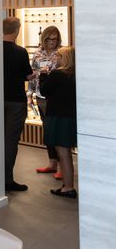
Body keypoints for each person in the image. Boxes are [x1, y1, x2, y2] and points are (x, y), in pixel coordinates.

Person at [40, 46, 77, 198]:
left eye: (59, 56)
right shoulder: (75, 75)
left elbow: (43, 91)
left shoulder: (56, 74)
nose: (57, 58)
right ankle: (68, 185)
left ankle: (68, 187)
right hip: (70, 117)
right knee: (66, 152)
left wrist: (43, 76)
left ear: (65, 58)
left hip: (57, 117)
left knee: (63, 153)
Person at [3, 17, 34, 192]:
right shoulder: (20, 51)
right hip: (16, 100)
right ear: (16, 30)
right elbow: (27, 75)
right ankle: (7, 179)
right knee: (11, 140)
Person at [30, 26, 62, 178]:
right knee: (48, 129)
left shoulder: (62, 54)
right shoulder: (37, 54)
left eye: (54, 39)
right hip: (40, 96)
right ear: (44, 39)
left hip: (56, 96)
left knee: (57, 130)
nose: (51, 42)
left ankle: (63, 166)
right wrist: (29, 93)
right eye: (49, 39)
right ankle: (52, 162)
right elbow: (32, 75)